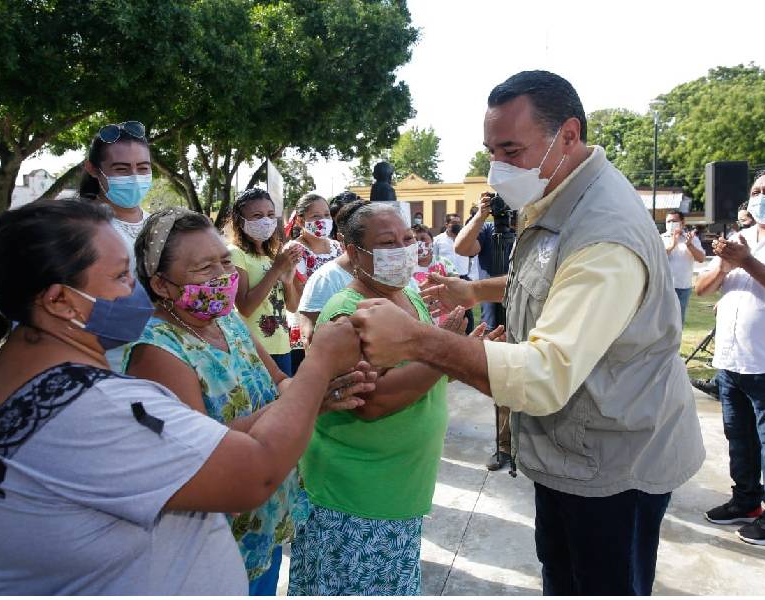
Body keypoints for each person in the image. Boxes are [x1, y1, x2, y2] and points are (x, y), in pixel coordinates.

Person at [348, 70, 705, 595]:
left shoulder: (604, 231)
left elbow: (544, 376)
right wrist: (477, 293)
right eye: (491, 151)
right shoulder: (562, 194)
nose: (497, 169)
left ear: (568, 135)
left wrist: (420, 341)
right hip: (571, 450)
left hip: (612, 462)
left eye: (511, 151)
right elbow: (548, 282)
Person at [0, 199, 364, 594]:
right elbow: (247, 478)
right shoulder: (90, 407)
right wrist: (320, 364)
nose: (136, 289)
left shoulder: (38, 385)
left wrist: (303, 395)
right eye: (122, 276)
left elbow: (273, 386)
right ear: (59, 301)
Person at [123, 206, 374, 593]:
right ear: (161, 284)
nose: (223, 276)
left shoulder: (226, 321)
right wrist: (309, 394)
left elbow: (278, 380)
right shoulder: (157, 352)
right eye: (203, 268)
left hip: (263, 519)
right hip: (216, 538)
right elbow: (203, 456)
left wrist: (314, 392)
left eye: (225, 261)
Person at [288, 201, 480, 596]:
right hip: (354, 499)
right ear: (354, 252)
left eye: (407, 239)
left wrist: (459, 356)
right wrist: (448, 355)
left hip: (398, 492)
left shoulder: (408, 295)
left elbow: (418, 376)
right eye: (388, 242)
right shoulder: (348, 315)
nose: (404, 248)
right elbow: (371, 402)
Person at [695, 166, 765, 545]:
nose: (760, 197)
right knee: (739, 438)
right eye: (756, 190)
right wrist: (725, 263)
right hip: (732, 360)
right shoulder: (739, 237)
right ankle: (746, 500)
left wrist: (748, 262)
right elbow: (703, 289)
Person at [454, 192, 518, 471]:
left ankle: (532, 442)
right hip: (497, 314)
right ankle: (504, 446)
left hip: (533, 313)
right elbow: (461, 247)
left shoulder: (536, 227)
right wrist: (481, 215)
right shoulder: (489, 229)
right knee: (504, 378)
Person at [229, 188, 301, 376]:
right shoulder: (236, 253)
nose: (266, 221)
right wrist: (276, 269)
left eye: (270, 215)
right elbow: (245, 307)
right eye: (257, 216)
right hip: (255, 347)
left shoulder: (273, 255)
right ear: (240, 221)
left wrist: (287, 281)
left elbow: (293, 307)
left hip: (282, 345)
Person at [79, 121, 153, 274]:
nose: (135, 177)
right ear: (92, 169)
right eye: (121, 169)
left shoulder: (160, 223)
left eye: (143, 168)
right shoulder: (80, 228)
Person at [285, 193, 344, 373]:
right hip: (309, 329)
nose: (323, 220)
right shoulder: (294, 250)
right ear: (301, 221)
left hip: (340, 325)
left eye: (326, 215)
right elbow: (297, 302)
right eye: (316, 216)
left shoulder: (337, 247)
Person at [298, 198, 367, 347]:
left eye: (326, 214)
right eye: (316, 216)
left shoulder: (394, 276)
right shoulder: (324, 278)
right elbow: (310, 339)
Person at [662, 209, 705, 324]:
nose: (671, 224)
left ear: (682, 223)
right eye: (668, 221)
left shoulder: (691, 238)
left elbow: (701, 258)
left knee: (677, 321)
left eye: (674, 221)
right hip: (663, 286)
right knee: (661, 321)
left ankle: (675, 342)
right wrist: (672, 245)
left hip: (682, 286)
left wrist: (689, 245)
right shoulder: (661, 238)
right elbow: (657, 258)